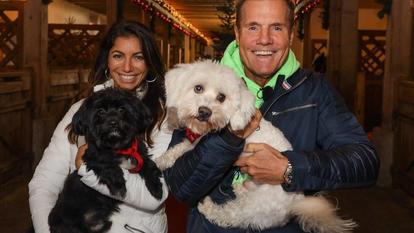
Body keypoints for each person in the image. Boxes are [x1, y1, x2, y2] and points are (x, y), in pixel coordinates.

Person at [163, 0, 379, 232]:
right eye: (253, 27)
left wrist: (290, 167)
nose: (264, 39)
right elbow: (181, 188)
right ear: (237, 33)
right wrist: (229, 140)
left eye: (276, 27)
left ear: (291, 34)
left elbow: (364, 162)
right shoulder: (198, 90)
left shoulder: (315, 91)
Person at [28, 20, 171, 233]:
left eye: (138, 57)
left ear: (149, 62)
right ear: (107, 59)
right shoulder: (81, 109)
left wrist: (88, 170)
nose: (127, 67)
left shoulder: (164, 115)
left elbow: (154, 196)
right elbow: (44, 183)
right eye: (118, 55)